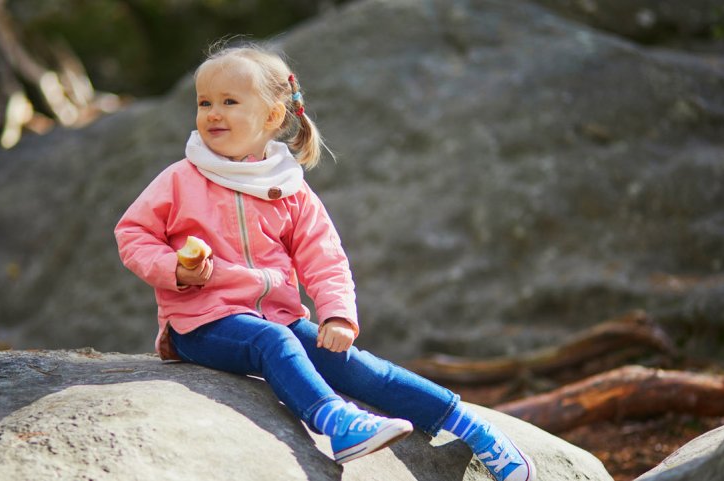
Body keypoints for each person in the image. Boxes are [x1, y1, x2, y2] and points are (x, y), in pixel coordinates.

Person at [114, 43, 536, 481]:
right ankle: (337, 423)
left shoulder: (289, 189)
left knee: (355, 363)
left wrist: (336, 316)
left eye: (229, 102)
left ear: (273, 117)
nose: (213, 113)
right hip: (200, 324)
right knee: (271, 344)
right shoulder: (181, 179)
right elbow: (133, 234)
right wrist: (175, 270)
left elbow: (324, 258)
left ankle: (469, 426)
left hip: (279, 316)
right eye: (205, 103)